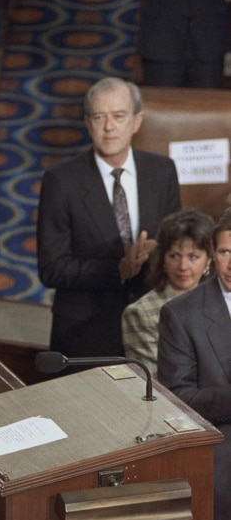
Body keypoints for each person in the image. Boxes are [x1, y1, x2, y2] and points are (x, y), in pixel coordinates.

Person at [36, 77, 181, 358]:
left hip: (152, 325)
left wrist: (158, 250)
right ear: (88, 123)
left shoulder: (162, 172)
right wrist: (118, 269)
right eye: (99, 117)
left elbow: (177, 245)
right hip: (84, 330)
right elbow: (51, 268)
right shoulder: (60, 181)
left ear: (137, 121)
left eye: (118, 116)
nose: (109, 127)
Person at [158, 209, 231, 520]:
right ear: (212, 255)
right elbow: (178, 399)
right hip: (221, 465)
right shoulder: (181, 314)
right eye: (225, 252)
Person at [122, 207, 212, 376]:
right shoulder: (141, 314)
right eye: (174, 256)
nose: (183, 266)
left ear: (208, 260)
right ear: (163, 259)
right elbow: (151, 384)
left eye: (193, 257)